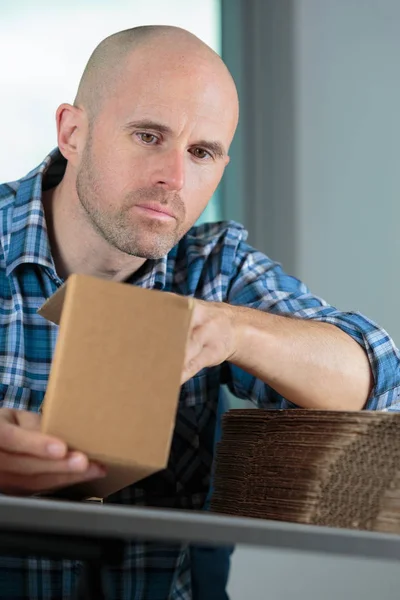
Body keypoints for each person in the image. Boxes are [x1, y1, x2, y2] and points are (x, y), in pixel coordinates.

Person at [0, 24, 399, 600]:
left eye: (201, 152)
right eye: (147, 136)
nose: (175, 178)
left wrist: (231, 329)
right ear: (73, 132)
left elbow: (379, 384)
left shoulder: (214, 267)